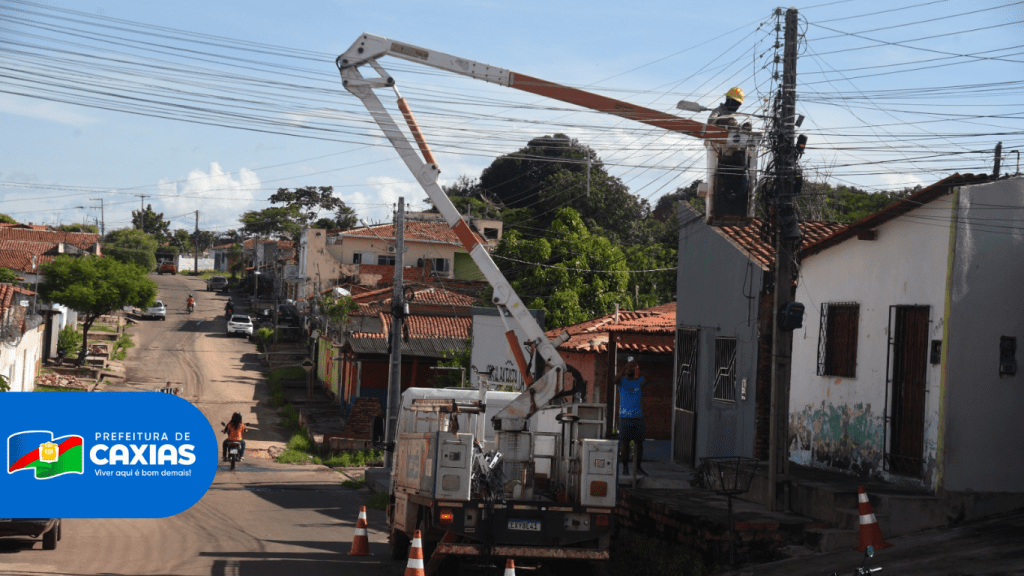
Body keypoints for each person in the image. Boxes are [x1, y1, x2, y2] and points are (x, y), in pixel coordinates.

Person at [616, 357, 649, 476]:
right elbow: (614, 379)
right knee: (625, 444)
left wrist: (637, 368)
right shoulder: (622, 381)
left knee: (639, 444)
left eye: (632, 368)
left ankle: (638, 467)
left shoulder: (639, 381)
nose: (630, 369)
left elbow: (649, 379)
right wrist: (626, 367)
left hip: (638, 418)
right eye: (628, 367)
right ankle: (625, 468)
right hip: (625, 418)